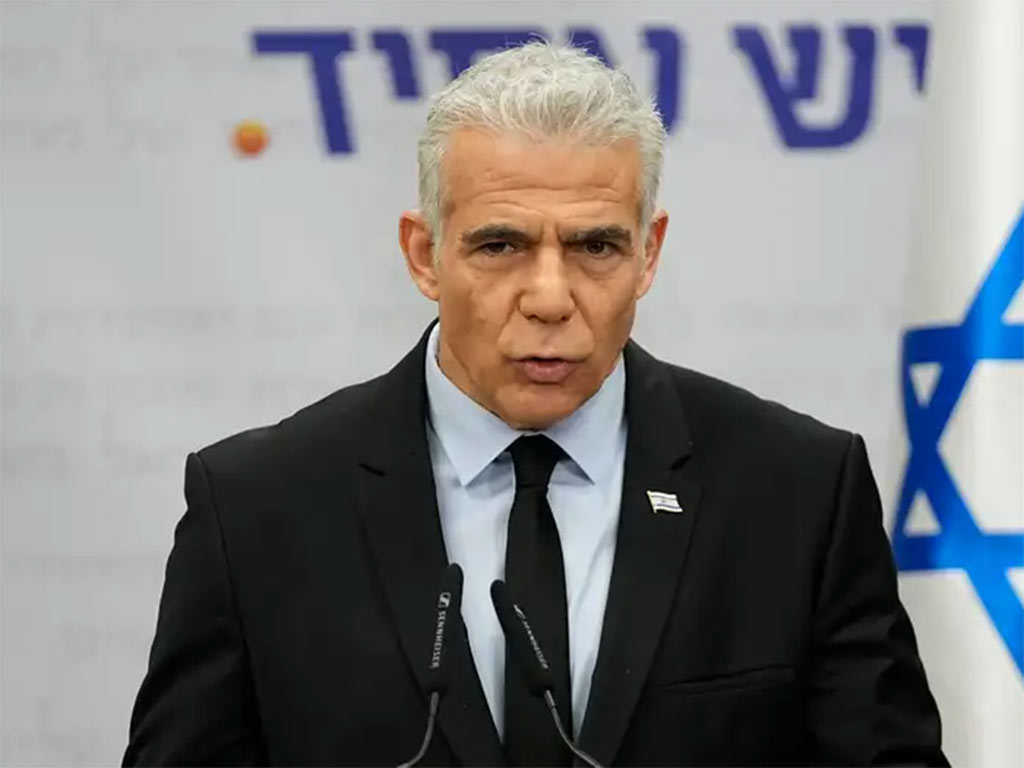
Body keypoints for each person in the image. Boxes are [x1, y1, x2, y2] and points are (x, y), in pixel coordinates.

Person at [124, 43, 946, 767]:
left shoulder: (796, 492)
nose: (550, 298)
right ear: (424, 253)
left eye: (595, 246)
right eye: (501, 244)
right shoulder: (258, 508)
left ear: (648, 253)